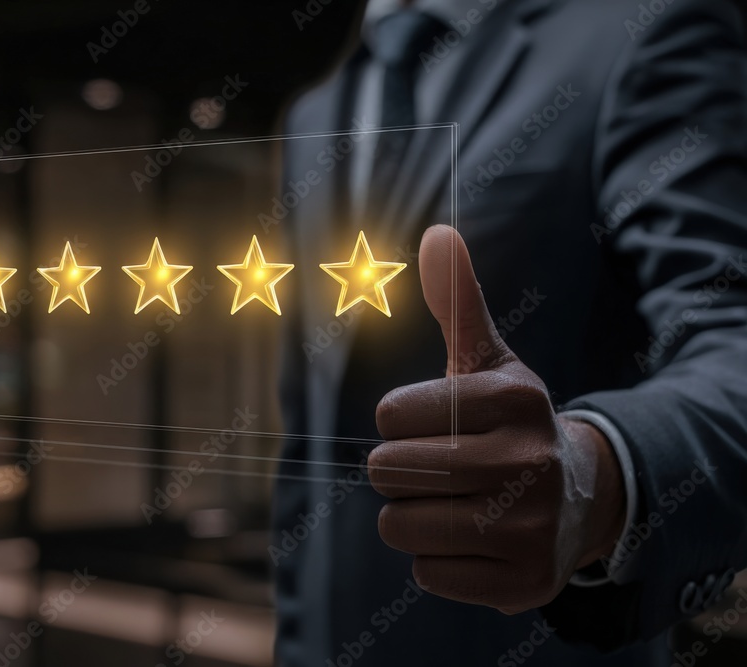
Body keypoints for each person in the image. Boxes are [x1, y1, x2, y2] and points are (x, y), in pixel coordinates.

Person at [272, 0, 747, 664]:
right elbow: (311, 446)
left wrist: (601, 472)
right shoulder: (314, 115)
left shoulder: (639, 29)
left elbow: (733, 332)